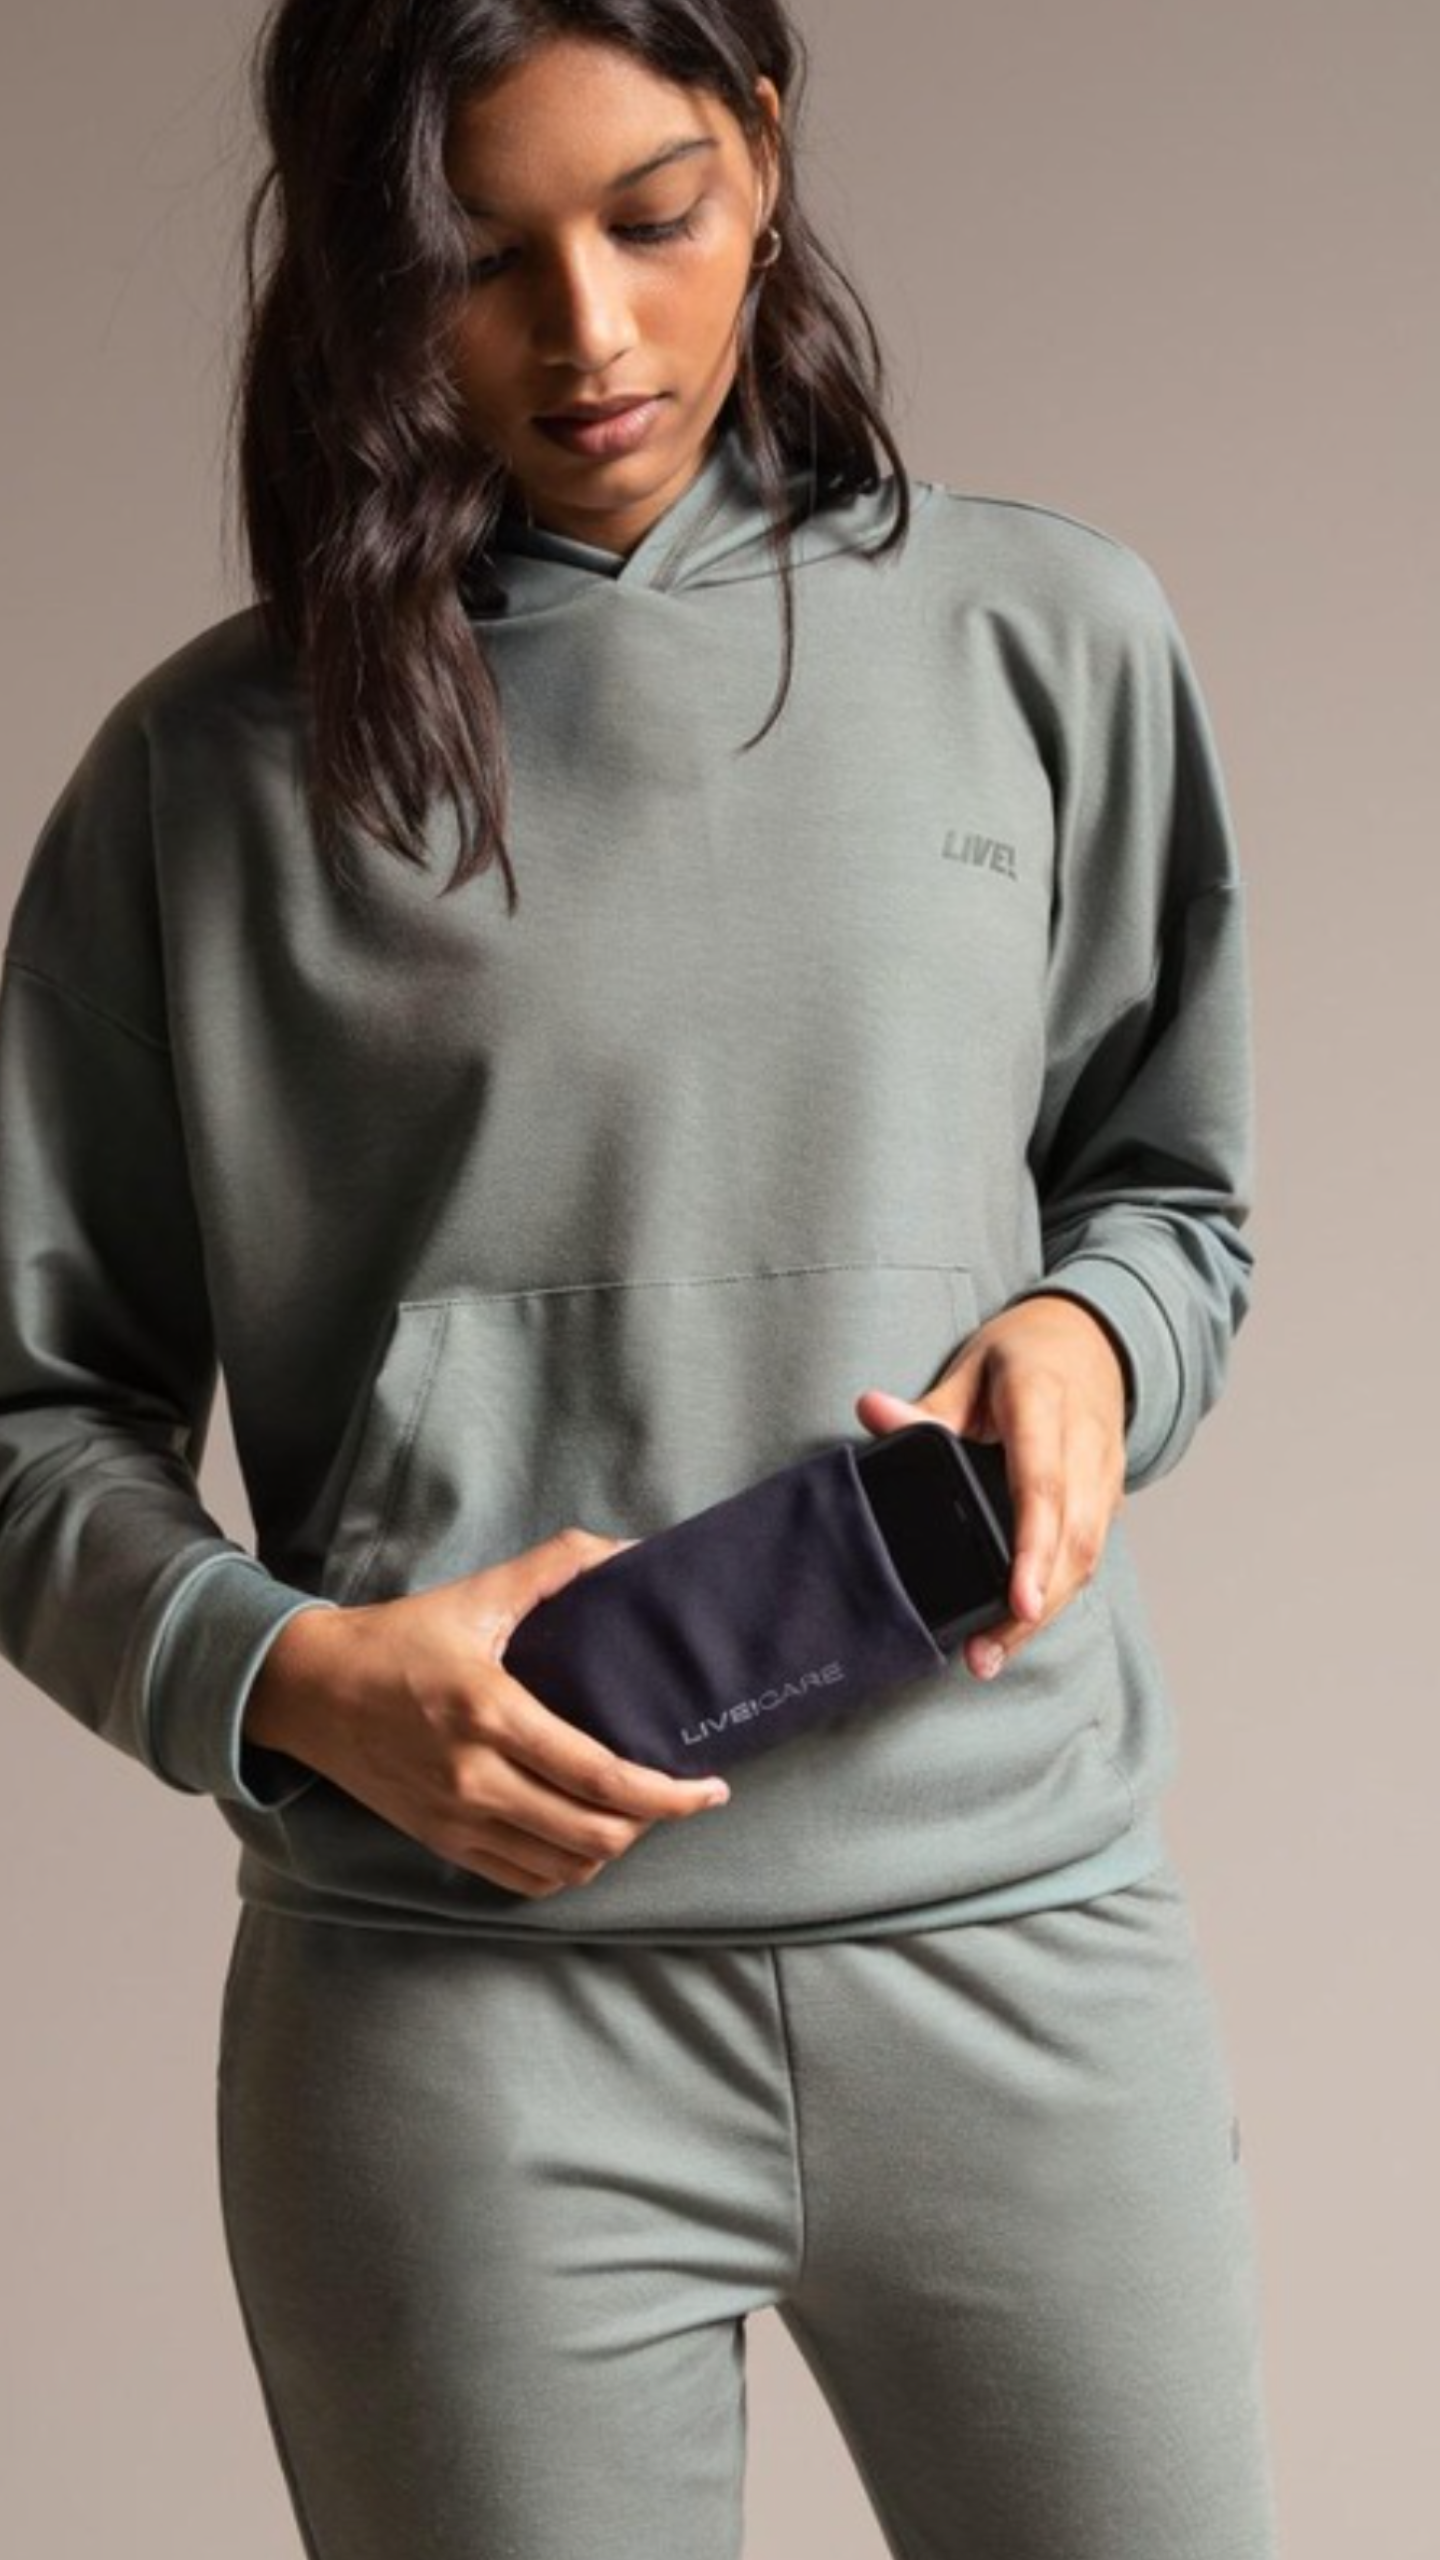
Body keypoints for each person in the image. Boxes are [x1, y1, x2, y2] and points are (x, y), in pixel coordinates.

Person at [0, 2, 1282, 2554]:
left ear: (763, 155)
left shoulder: (1046, 636)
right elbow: (30, 1412)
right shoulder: (201, 779)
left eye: (653, 213)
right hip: (459, 2010)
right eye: (479, 256)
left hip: (1021, 1940)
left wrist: (1087, 1332)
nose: (585, 331)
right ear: (368, 269)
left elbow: (1174, 1193)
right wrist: (284, 1671)